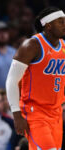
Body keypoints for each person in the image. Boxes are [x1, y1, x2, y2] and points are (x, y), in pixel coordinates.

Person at [6, 7, 65, 150]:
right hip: (34, 111)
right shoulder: (31, 45)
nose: (64, 25)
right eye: (61, 22)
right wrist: (16, 114)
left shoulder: (63, 46)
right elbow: (11, 81)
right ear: (48, 25)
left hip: (56, 113)